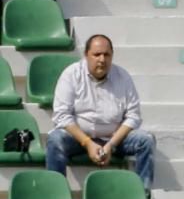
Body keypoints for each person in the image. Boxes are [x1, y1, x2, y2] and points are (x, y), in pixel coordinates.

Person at [48, 34, 155, 190]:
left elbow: (133, 116)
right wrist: (87, 143)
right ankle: (55, 196)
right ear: (86, 55)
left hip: (114, 139)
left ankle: (143, 196)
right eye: (97, 54)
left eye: (106, 55)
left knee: (146, 140)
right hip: (79, 139)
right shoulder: (71, 75)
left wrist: (111, 145)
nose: (102, 59)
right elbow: (61, 116)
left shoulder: (123, 77)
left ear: (112, 56)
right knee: (55, 139)